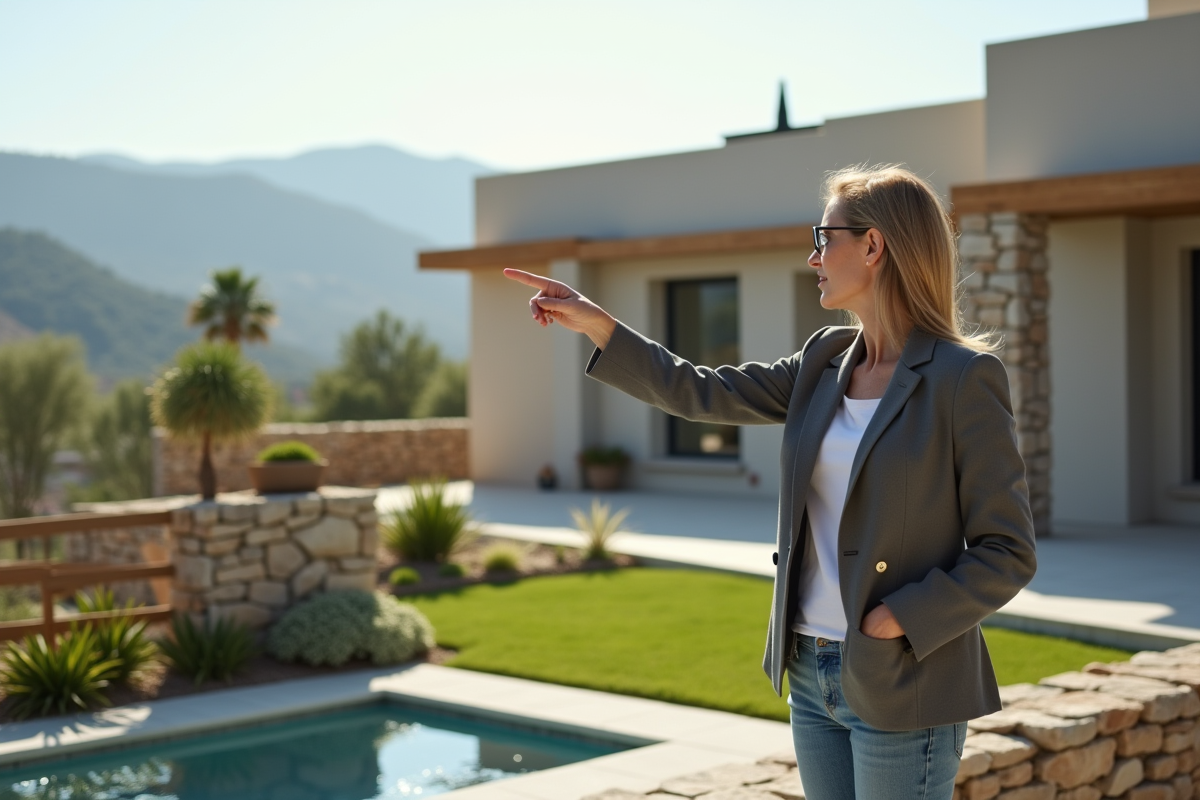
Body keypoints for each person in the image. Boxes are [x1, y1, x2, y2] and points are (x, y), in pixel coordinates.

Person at [504, 164, 1037, 800]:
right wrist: (598, 326)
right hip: (810, 669)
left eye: (824, 236)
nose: (813, 256)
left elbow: (1008, 550)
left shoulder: (963, 377)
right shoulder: (821, 363)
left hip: (902, 675)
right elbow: (701, 391)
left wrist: (900, 618)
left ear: (873, 246)